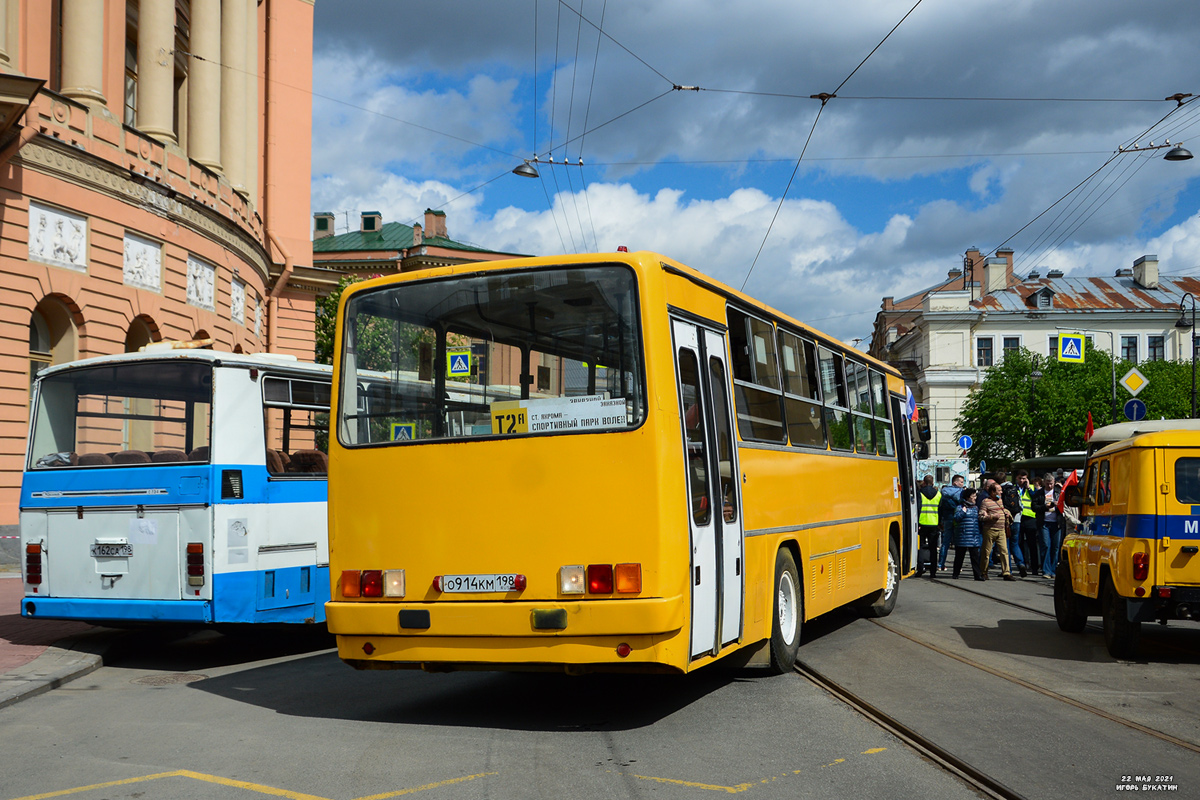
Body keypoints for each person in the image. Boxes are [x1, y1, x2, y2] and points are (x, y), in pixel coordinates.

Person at [980, 481, 1016, 581]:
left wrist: (1007, 515)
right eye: (999, 490)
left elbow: (1003, 510)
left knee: (1004, 552)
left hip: (1001, 530)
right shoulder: (985, 502)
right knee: (986, 552)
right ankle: (984, 572)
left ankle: (1006, 572)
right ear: (992, 492)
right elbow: (981, 516)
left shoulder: (1000, 501)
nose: (1001, 492)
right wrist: (992, 516)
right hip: (990, 530)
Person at [952, 487, 984, 580]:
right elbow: (957, 518)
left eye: (975, 496)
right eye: (973, 496)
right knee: (959, 556)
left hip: (973, 537)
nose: (975, 498)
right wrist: (963, 511)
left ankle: (977, 575)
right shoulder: (960, 507)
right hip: (962, 536)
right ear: (968, 497)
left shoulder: (976, 508)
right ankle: (956, 573)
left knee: (975, 557)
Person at [1001, 470, 1027, 577]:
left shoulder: (1001, 490)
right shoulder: (1015, 490)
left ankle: (1008, 570)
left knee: (1005, 546)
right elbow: (1021, 505)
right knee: (1015, 544)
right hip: (1017, 520)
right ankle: (1021, 563)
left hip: (1005, 521)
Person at [938, 474, 966, 571]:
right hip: (957, 518)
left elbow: (940, 507)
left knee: (945, 542)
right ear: (955, 482)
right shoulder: (961, 492)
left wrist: (941, 520)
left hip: (947, 518)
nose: (963, 484)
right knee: (958, 543)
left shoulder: (944, 492)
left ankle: (940, 564)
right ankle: (957, 566)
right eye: (961, 482)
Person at [1035, 473, 1060, 579]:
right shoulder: (1039, 493)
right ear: (1044, 482)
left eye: (1051, 483)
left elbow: (1065, 505)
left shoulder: (1058, 492)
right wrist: (1044, 507)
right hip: (1044, 522)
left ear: (1054, 482)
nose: (1050, 486)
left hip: (1056, 522)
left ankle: (1053, 570)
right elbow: (1034, 506)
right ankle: (1046, 570)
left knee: (1055, 547)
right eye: (1048, 483)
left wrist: (1059, 505)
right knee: (1045, 545)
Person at [916, 476, 941, 577]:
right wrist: (940, 523)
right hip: (934, 524)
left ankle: (920, 568)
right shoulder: (938, 494)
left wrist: (918, 523)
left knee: (920, 547)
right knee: (933, 548)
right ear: (933, 482)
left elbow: (917, 508)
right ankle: (933, 571)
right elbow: (941, 509)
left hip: (922, 523)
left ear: (924, 482)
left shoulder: (920, 493)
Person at [1016, 470, 1040, 576]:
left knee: (1032, 544)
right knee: (1019, 542)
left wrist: (1029, 488)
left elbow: (1036, 498)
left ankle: (1034, 567)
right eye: (1020, 478)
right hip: (1018, 518)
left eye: (1024, 478)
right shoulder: (1014, 488)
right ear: (1017, 478)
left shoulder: (1032, 488)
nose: (1022, 480)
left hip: (1030, 518)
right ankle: (1023, 564)